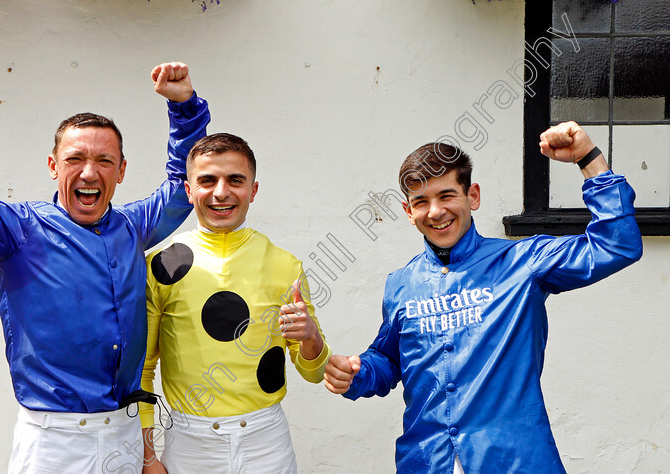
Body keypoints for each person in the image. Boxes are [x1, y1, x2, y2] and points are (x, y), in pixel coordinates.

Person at [0, 21, 210, 472]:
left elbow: (185, 184)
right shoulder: (17, 231)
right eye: (75, 158)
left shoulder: (133, 227)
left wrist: (185, 109)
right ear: (52, 165)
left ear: (121, 170)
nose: (89, 172)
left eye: (103, 160)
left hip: (126, 436)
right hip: (55, 447)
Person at [323, 122, 643, 473]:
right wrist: (356, 373)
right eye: (421, 202)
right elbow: (388, 361)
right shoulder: (401, 285)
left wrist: (588, 157)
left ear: (472, 195)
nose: (435, 212)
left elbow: (617, 244)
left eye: (446, 196)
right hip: (425, 462)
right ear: (408, 211)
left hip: (515, 462)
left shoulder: (523, 262)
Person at [138, 133, 330, 473]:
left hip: (266, 444)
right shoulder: (160, 266)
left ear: (253, 190)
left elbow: (312, 371)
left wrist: (311, 337)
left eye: (235, 180)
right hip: (188, 444)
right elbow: (142, 369)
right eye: (207, 180)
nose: (221, 192)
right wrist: (148, 456)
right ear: (188, 189)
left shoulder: (285, 265)